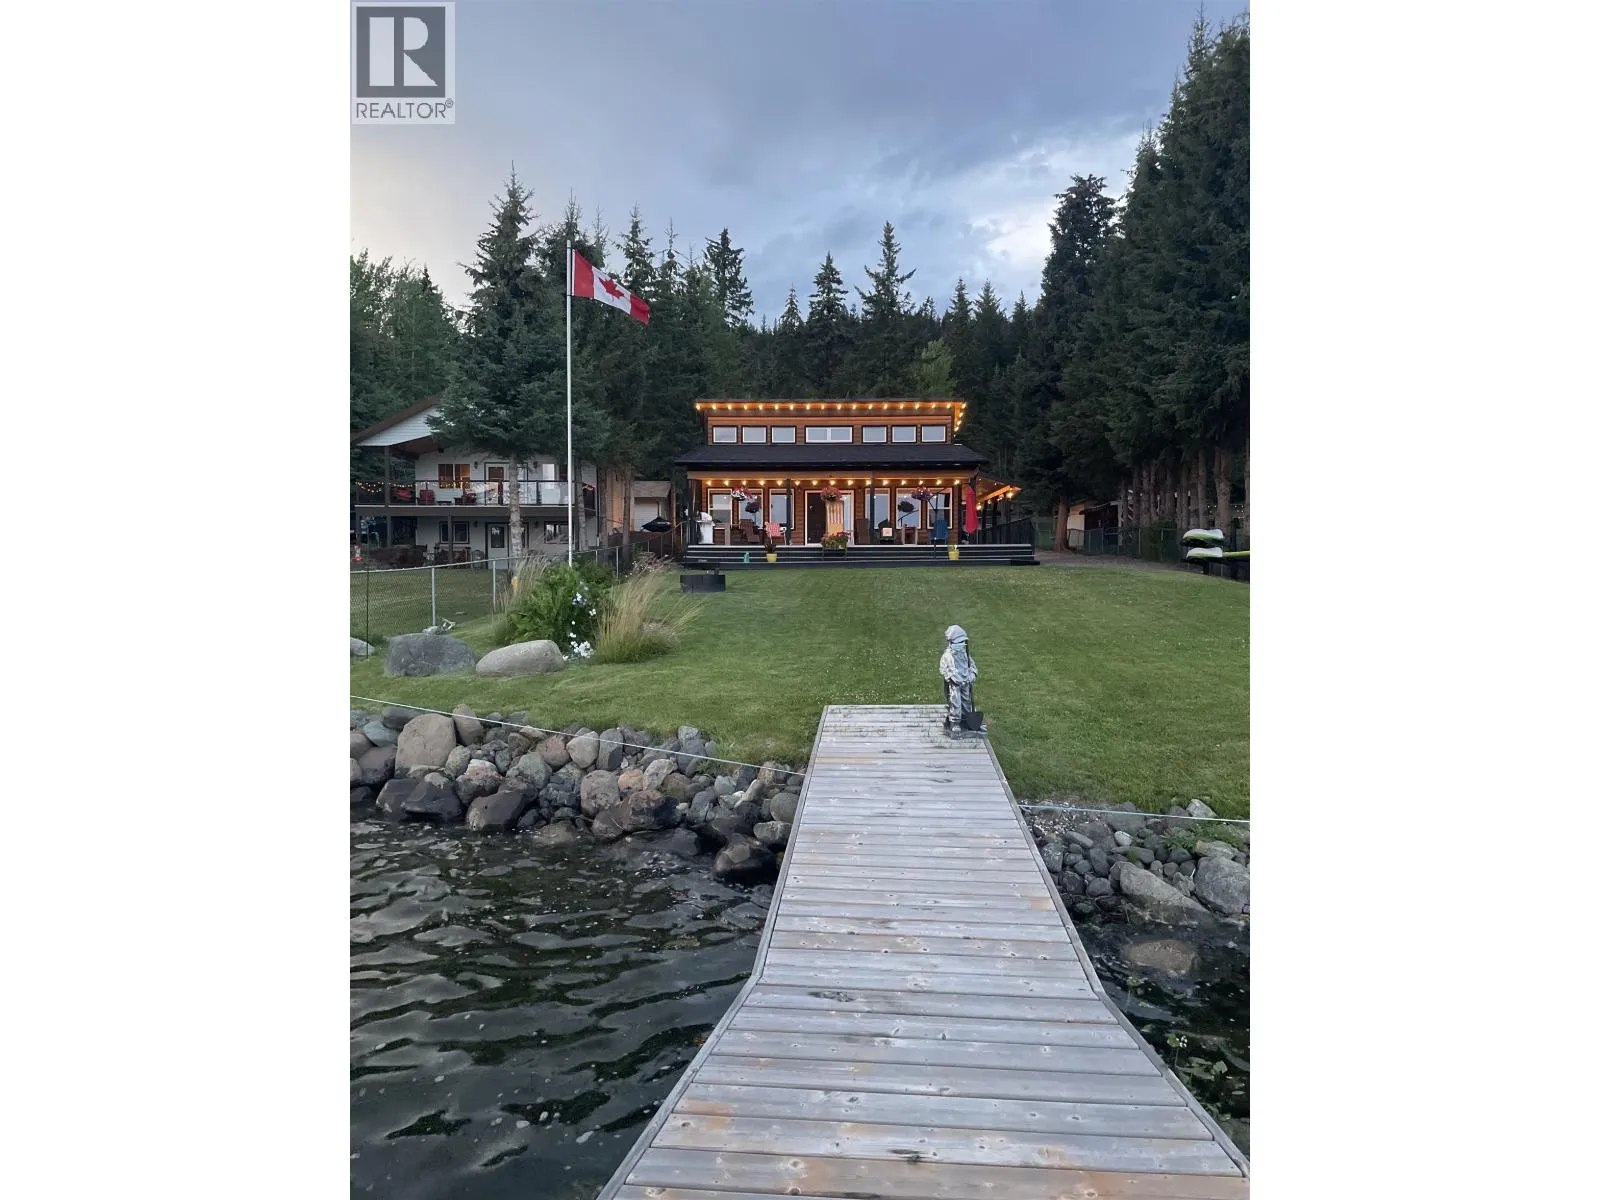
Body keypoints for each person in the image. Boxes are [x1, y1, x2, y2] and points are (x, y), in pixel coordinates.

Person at [939, 624, 977, 731]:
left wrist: (972, 675)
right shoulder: (947, 656)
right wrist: (956, 679)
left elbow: (972, 666)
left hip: (966, 682)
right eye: (958, 643)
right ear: (951, 643)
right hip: (955, 684)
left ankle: (966, 719)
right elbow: (946, 670)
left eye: (962, 642)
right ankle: (954, 722)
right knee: (955, 702)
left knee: (966, 700)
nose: (961, 645)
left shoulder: (965, 654)